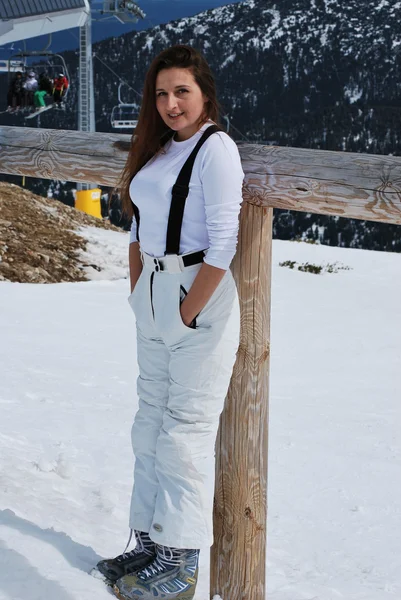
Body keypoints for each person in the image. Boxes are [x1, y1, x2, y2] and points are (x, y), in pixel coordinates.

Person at [93, 45, 244, 600]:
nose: (171, 103)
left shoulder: (214, 150)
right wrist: (139, 292)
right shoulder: (159, 151)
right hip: (155, 295)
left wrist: (187, 310)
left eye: (181, 91)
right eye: (161, 93)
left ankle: (180, 564)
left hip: (194, 295)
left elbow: (224, 242)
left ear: (205, 93)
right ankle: (151, 543)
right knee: (149, 425)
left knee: (184, 433)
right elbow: (138, 226)